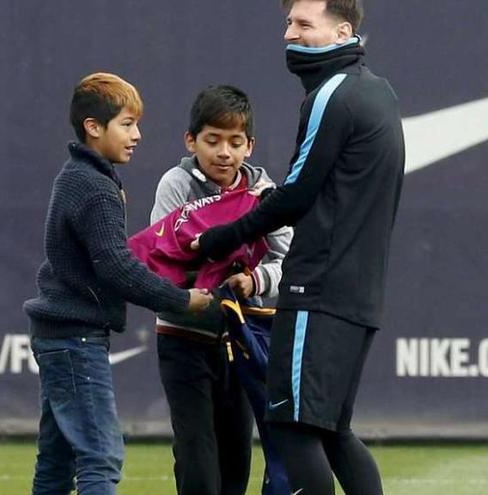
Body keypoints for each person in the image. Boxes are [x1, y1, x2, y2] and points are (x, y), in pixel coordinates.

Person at [193, 1, 405, 494]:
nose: (290, 33)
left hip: (318, 289)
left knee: (290, 426)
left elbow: (295, 195)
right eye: (288, 23)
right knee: (331, 431)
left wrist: (219, 238)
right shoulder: (378, 91)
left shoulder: (333, 94)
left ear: (343, 31)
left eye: (305, 24)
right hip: (357, 292)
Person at [23, 73, 213, 495]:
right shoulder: (95, 187)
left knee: (56, 463)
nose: (137, 135)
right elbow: (117, 268)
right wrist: (182, 299)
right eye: (127, 124)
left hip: (60, 336)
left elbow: (112, 260)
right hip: (77, 341)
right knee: (100, 457)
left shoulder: (80, 176)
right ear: (94, 127)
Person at [148, 85, 292, 495]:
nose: (224, 152)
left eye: (235, 142)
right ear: (191, 141)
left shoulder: (266, 194)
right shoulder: (175, 184)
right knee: (196, 451)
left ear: (250, 146)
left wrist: (254, 280)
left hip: (243, 339)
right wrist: (202, 276)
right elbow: (161, 257)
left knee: (236, 456)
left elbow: (290, 260)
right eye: (212, 141)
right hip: (182, 336)